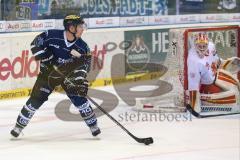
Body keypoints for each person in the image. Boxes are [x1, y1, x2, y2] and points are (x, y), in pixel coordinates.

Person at [10, 14, 101, 138]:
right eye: (80, 26)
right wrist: (45, 56)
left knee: (80, 99)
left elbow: (84, 66)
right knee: (36, 99)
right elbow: (35, 44)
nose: (82, 29)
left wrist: (79, 81)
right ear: (71, 27)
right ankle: (19, 126)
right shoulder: (51, 35)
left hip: (68, 76)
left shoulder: (83, 47)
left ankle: (93, 125)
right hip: (48, 74)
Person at [186, 32, 240, 112]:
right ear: (195, 45)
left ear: (207, 44)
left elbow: (216, 61)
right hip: (205, 87)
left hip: (216, 77)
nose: (202, 48)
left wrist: (225, 62)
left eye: (204, 46)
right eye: (199, 46)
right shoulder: (193, 61)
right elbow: (193, 85)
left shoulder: (211, 46)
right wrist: (194, 108)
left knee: (237, 83)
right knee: (234, 96)